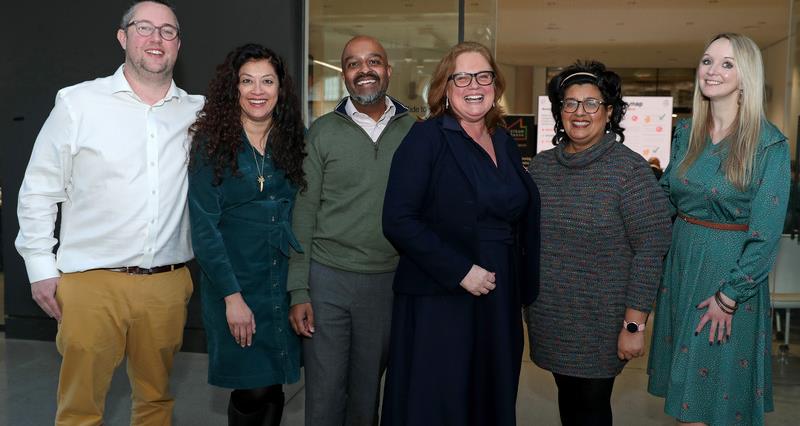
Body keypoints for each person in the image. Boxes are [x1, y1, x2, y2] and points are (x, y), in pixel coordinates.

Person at [14, 1, 203, 424]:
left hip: (167, 285)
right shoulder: (78, 103)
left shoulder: (199, 113)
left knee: (155, 402)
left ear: (178, 45)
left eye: (168, 31)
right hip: (90, 284)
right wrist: (40, 267)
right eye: (144, 28)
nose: (156, 39)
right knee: (80, 409)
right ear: (123, 37)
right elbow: (39, 190)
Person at [380, 41, 540, 425]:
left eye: (483, 76)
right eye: (462, 77)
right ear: (445, 88)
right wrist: (461, 271)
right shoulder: (426, 138)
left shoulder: (503, 140)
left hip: (499, 295)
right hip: (442, 296)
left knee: (492, 393)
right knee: (442, 400)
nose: (474, 85)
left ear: (496, 85)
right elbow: (398, 219)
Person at [647, 33, 791, 426]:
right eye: (708, 60)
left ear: (745, 76)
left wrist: (730, 296)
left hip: (727, 279)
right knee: (688, 400)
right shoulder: (686, 132)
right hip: (680, 271)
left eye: (727, 64)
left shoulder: (768, 143)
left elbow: (766, 232)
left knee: (705, 404)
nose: (712, 71)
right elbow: (665, 198)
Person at [524, 61, 672, 426]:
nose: (580, 112)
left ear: (609, 112)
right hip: (551, 318)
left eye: (592, 103)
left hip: (603, 325)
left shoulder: (629, 170)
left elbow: (651, 247)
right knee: (569, 403)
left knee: (590, 408)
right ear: (560, 111)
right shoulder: (541, 168)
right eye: (570, 103)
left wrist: (634, 325)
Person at [286, 35, 416, 426]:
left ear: (388, 70)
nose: (364, 70)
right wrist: (299, 289)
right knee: (324, 395)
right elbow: (304, 212)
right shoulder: (322, 132)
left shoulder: (417, 132)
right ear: (344, 75)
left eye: (373, 61)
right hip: (327, 279)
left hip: (387, 283)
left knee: (366, 397)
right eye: (353, 64)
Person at [188, 44, 305, 426]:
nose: (258, 90)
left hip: (281, 279)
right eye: (247, 81)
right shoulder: (212, 142)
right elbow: (203, 226)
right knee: (251, 387)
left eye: (267, 81)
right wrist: (232, 297)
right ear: (233, 89)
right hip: (235, 283)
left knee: (273, 384)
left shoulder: (294, 138)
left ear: (280, 89)